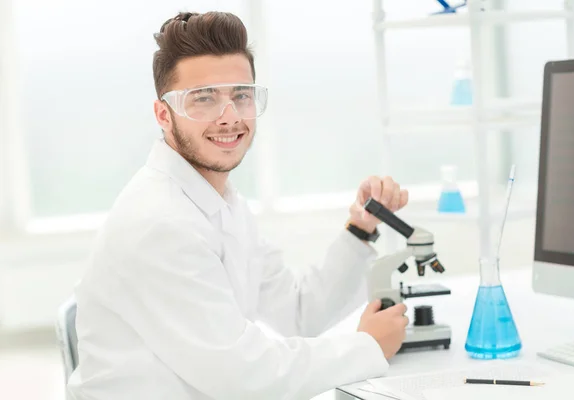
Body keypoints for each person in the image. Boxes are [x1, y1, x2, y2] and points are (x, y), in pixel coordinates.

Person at [67, 10, 410, 400]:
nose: (228, 118)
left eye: (241, 96)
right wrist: (367, 346)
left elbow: (299, 312)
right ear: (164, 114)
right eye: (204, 99)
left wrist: (360, 228)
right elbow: (242, 376)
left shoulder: (221, 202)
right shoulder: (159, 223)